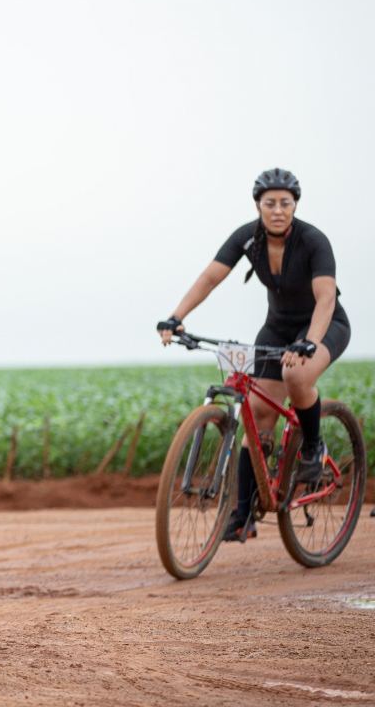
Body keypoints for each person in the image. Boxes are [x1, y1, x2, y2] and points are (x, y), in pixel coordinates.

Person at [157, 168, 350, 541]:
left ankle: (313, 446)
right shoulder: (247, 238)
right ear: (258, 205)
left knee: (296, 375)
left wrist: (309, 341)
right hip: (277, 328)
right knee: (258, 415)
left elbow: (326, 297)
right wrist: (176, 317)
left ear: (295, 206)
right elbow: (210, 278)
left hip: (324, 326)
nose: (277, 210)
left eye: (285, 203)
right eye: (269, 203)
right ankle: (243, 513)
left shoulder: (313, 240)